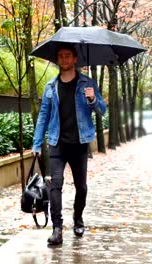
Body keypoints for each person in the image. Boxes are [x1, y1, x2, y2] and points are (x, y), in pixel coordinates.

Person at [32, 44, 107, 246]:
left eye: (68, 56)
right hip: (57, 143)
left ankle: (78, 217)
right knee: (55, 185)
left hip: (80, 144)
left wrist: (92, 98)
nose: (64, 60)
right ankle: (57, 228)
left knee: (81, 187)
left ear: (75, 59)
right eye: (61, 56)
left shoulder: (87, 83)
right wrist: (37, 143)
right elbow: (43, 116)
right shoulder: (50, 86)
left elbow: (102, 110)